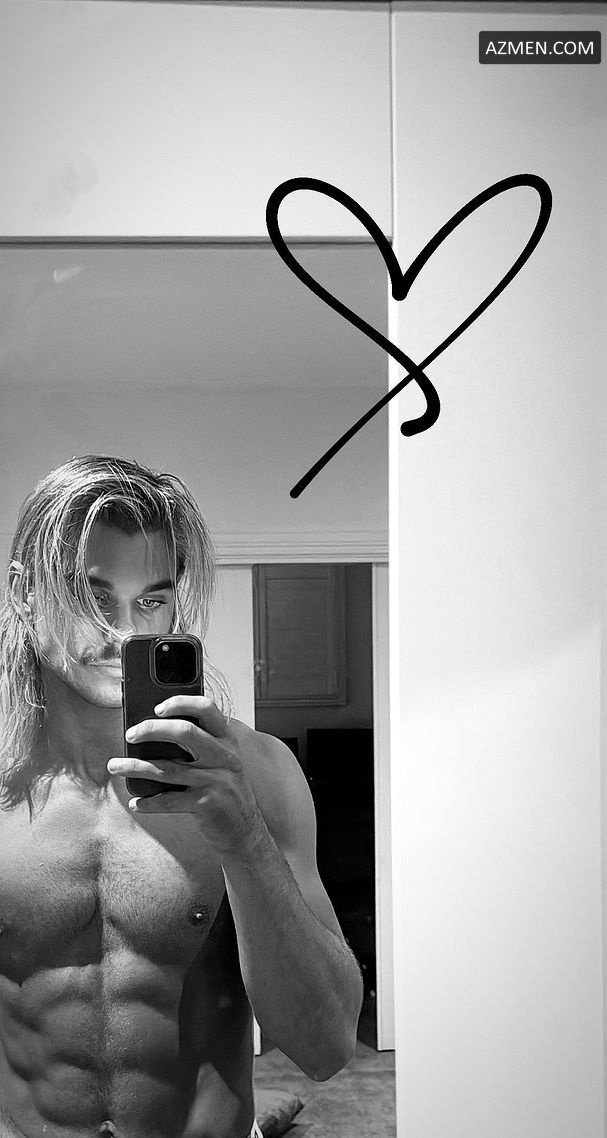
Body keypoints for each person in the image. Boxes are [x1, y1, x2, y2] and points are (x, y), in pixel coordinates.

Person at [0, 454, 363, 1138]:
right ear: (24, 593)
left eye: (152, 600)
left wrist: (243, 837)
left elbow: (327, 1047)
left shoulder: (255, 773)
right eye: (93, 597)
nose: (124, 632)